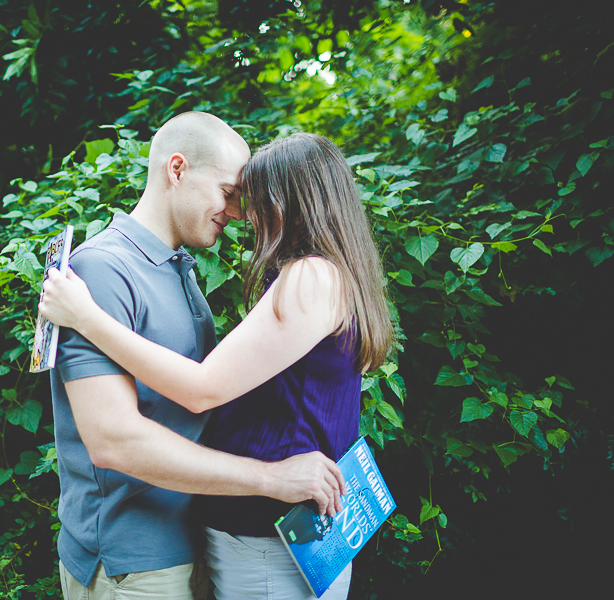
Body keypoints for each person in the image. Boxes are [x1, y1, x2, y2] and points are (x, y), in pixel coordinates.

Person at [40, 132, 393, 600]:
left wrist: (87, 318)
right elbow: (114, 439)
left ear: (291, 201)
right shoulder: (112, 269)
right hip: (164, 549)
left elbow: (202, 388)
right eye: (230, 196)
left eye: (252, 200)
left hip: (268, 538)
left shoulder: (308, 275)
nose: (242, 214)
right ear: (177, 169)